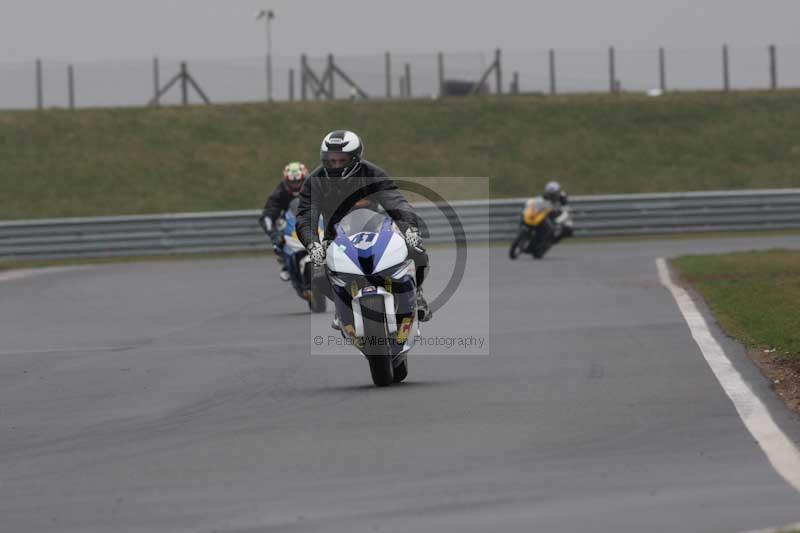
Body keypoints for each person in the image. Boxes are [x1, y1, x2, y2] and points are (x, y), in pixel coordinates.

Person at [295, 130, 432, 328]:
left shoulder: (372, 173)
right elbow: (306, 216)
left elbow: (396, 202)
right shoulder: (314, 181)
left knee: (417, 250)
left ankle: (416, 293)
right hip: (335, 234)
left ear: (355, 158)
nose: (336, 165)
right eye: (331, 161)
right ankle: (342, 307)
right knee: (318, 274)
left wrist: (409, 228)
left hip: (377, 227)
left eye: (342, 160)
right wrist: (313, 244)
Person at [258, 162, 308, 281]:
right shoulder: (280, 192)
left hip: (312, 221)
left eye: (298, 182)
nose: (296, 185)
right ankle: (286, 263)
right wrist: (273, 233)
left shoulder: (314, 188)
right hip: (289, 225)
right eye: (292, 182)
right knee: (278, 240)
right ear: (286, 181)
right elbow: (268, 214)